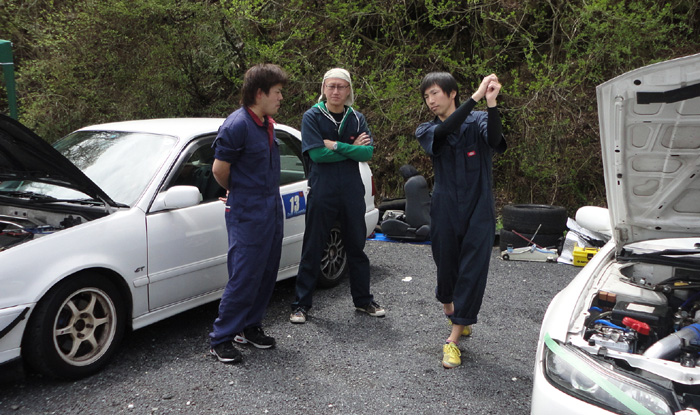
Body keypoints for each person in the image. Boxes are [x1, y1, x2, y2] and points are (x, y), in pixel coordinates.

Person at [415, 72, 506, 368]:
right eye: (426, 96)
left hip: (479, 206)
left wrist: (490, 104)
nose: (430, 100)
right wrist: (476, 97)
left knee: (472, 269)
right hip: (445, 206)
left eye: (435, 93)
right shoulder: (427, 129)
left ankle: (453, 339)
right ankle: (451, 308)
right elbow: (444, 132)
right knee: (446, 264)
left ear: (452, 93)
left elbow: (495, 140)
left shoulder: (478, 120)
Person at [289, 68, 384, 323]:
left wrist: (336, 145)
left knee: (356, 247)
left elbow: (367, 154)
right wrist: (352, 148)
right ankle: (301, 304)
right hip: (323, 190)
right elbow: (317, 155)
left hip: (352, 190)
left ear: (349, 90)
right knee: (313, 246)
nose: (335, 91)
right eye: (331, 86)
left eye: (341, 87)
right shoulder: (312, 116)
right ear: (323, 88)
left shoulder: (356, 118)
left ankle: (363, 300)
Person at [209, 63, 288, 364]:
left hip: (271, 205)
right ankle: (221, 338)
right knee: (244, 274)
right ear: (259, 93)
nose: (281, 97)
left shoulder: (267, 123)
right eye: (277, 92)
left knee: (267, 270)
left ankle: (249, 327)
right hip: (247, 209)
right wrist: (239, 191)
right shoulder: (237, 125)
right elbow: (219, 170)